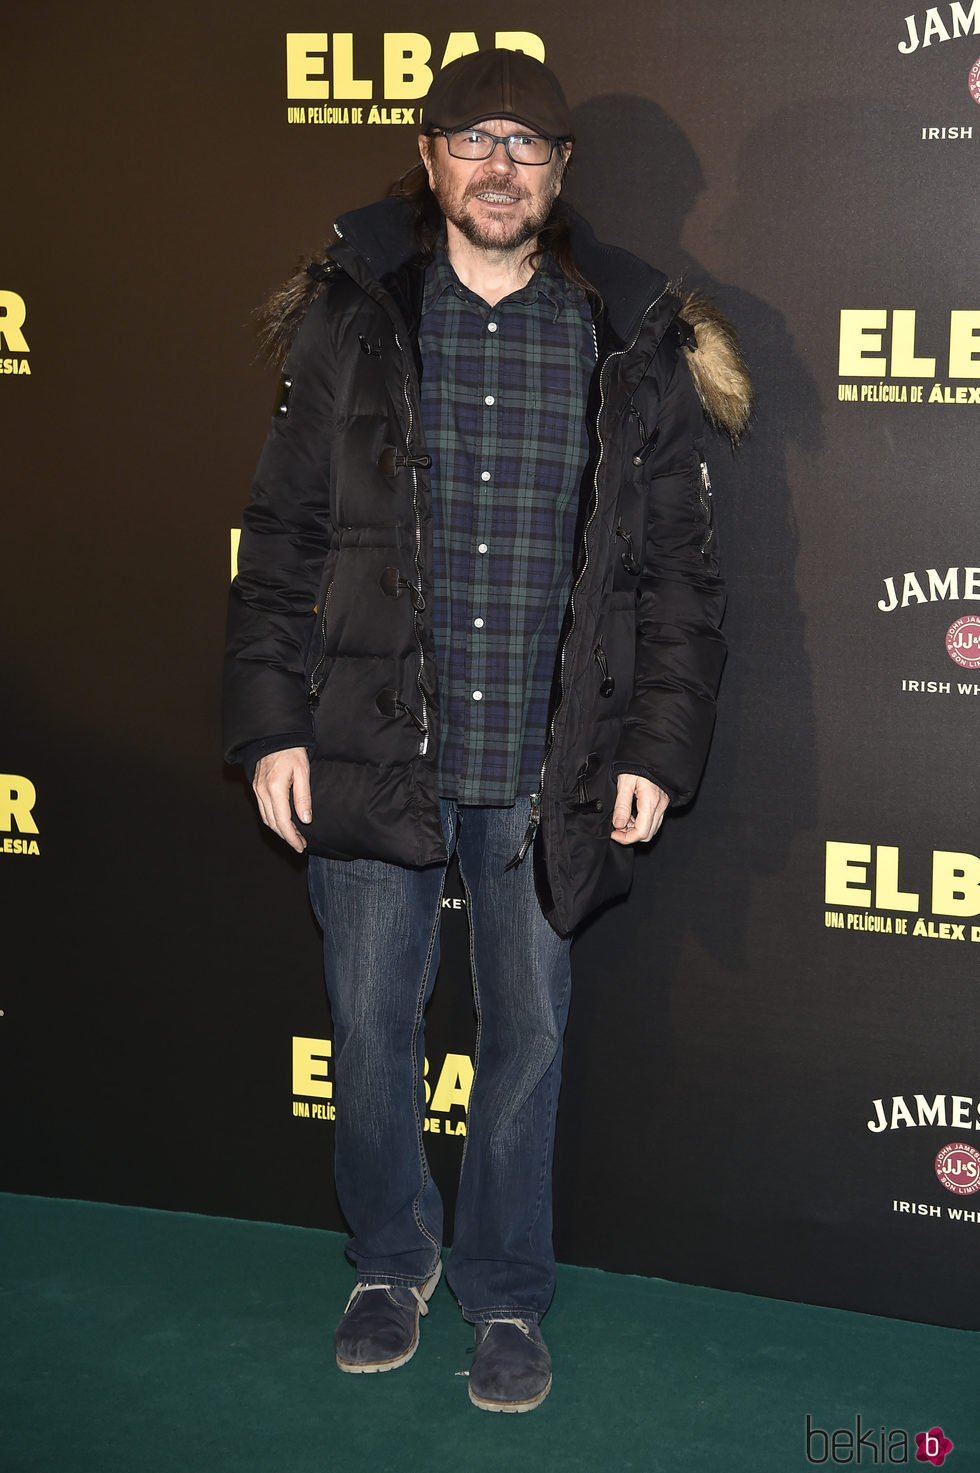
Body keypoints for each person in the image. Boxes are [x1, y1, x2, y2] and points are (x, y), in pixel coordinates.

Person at [224, 48, 751, 1413]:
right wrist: (273, 721)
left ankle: (507, 1292)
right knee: (369, 1020)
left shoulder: (628, 334)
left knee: (527, 1037)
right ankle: (389, 1259)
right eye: (475, 138)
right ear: (430, 155)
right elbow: (281, 538)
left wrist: (653, 751)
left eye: (527, 142)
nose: (501, 162)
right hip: (367, 741)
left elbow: (683, 577)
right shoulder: (355, 318)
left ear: (560, 171)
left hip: (547, 768)